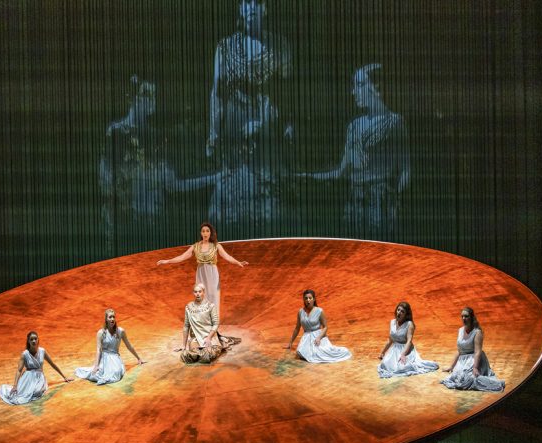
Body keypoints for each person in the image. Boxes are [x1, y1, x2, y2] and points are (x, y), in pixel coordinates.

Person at [204, 0, 294, 224]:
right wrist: (213, 133)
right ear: (240, 8)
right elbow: (217, 93)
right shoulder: (225, 47)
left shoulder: (280, 46)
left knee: (268, 196)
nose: (251, 7)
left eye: (257, 2)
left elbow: (287, 94)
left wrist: (284, 124)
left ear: (265, 8)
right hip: (235, 125)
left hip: (268, 123)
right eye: (246, 3)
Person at [303, 63, 409, 236]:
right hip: (355, 200)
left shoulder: (394, 122)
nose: (354, 92)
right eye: (354, 86)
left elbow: (405, 168)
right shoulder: (354, 126)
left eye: (360, 85)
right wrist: (306, 176)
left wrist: (395, 202)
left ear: (376, 87)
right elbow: (341, 171)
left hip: (381, 201)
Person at [99, 75, 174, 255]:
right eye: (146, 95)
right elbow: (106, 177)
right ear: (131, 98)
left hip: (149, 220)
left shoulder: (155, 136)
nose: (152, 101)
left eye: (153, 95)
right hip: (123, 219)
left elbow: (165, 179)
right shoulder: (117, 132)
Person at [156, 222, 247, 318]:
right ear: (201, 233)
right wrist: (167, 261)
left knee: (213, 296)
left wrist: (238, 262)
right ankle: (202, 322)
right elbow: (182, 257)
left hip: (212, 274)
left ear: (210, 233)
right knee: (200, 295)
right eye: (203, 231)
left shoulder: (216, 246)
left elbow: (227, 257)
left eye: (207, 231)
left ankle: (213, 322)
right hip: (201, 273)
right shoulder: (195, 246)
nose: (205, 233)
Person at [440, 307, 505, 392]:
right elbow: (459, 351)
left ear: (471, 317)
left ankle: (497, 383)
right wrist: (451, 367)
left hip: (474, 359)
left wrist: (475, 367)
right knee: (457, 378)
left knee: (470, 379)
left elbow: (478, 351)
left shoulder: (477, 332)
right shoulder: (460, 330)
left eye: (466, 316)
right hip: (462, 361)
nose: (464, 318)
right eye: (462, 316)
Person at [0, 332, 72, 405]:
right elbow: (19, 370)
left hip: (39, 377)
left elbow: (52, 364)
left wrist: (64, 377)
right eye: (31, 339)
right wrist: (15, 386)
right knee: (23, 394)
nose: (34, 341)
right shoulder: (24, 354)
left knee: (37, 392)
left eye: (35, 339)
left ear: (38, 340)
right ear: (28, 341)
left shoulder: (42, 351)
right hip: (28, 378)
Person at [75, 309, 146, 385]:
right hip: (104, 358)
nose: (112, 319)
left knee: (116, 373)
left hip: (115, 357)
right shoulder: (100, 333)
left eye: (113, 317)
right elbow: (98, 350)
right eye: (110, 317)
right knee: (96, 374)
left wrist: (138, 358)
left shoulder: (120, 331)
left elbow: (129, 346)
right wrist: (96, 365)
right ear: (106, 319)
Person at [177, 283, 240, 363]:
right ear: (193, 293)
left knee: (208, 356)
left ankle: (220, 342)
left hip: (210, 336)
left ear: (203, 292)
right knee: (190, 356)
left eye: (200, 291)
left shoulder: (210, 306)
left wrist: (209, 338)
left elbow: (215, 324)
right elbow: (186, 326)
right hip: (195, 338)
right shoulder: (189, 307)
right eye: (195, 292)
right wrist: (184, 346)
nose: (197, 294)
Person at [285, 289, 352, 363]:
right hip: (306, 337)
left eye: (310, 298)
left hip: (317, 336)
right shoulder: (300, 312)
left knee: (319, 353)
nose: (308, 300)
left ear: (314, 299)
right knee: (301, 353)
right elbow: (297, 328)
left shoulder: (320, 311)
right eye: (306, 298)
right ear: (304, 300)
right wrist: (290, 343)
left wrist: (319, 338)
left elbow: (325, 327)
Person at [376, 301, 439, 378]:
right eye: (398, 310)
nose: (399, 312)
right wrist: (382, 353)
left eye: (402, 311)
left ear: (406, 315)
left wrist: (403, 354)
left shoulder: (409, 324)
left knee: (401, 368)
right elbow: (390, 340)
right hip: (394, 350)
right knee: (385, 364)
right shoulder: (392, 322)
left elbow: (409, 341)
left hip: (406, 349)